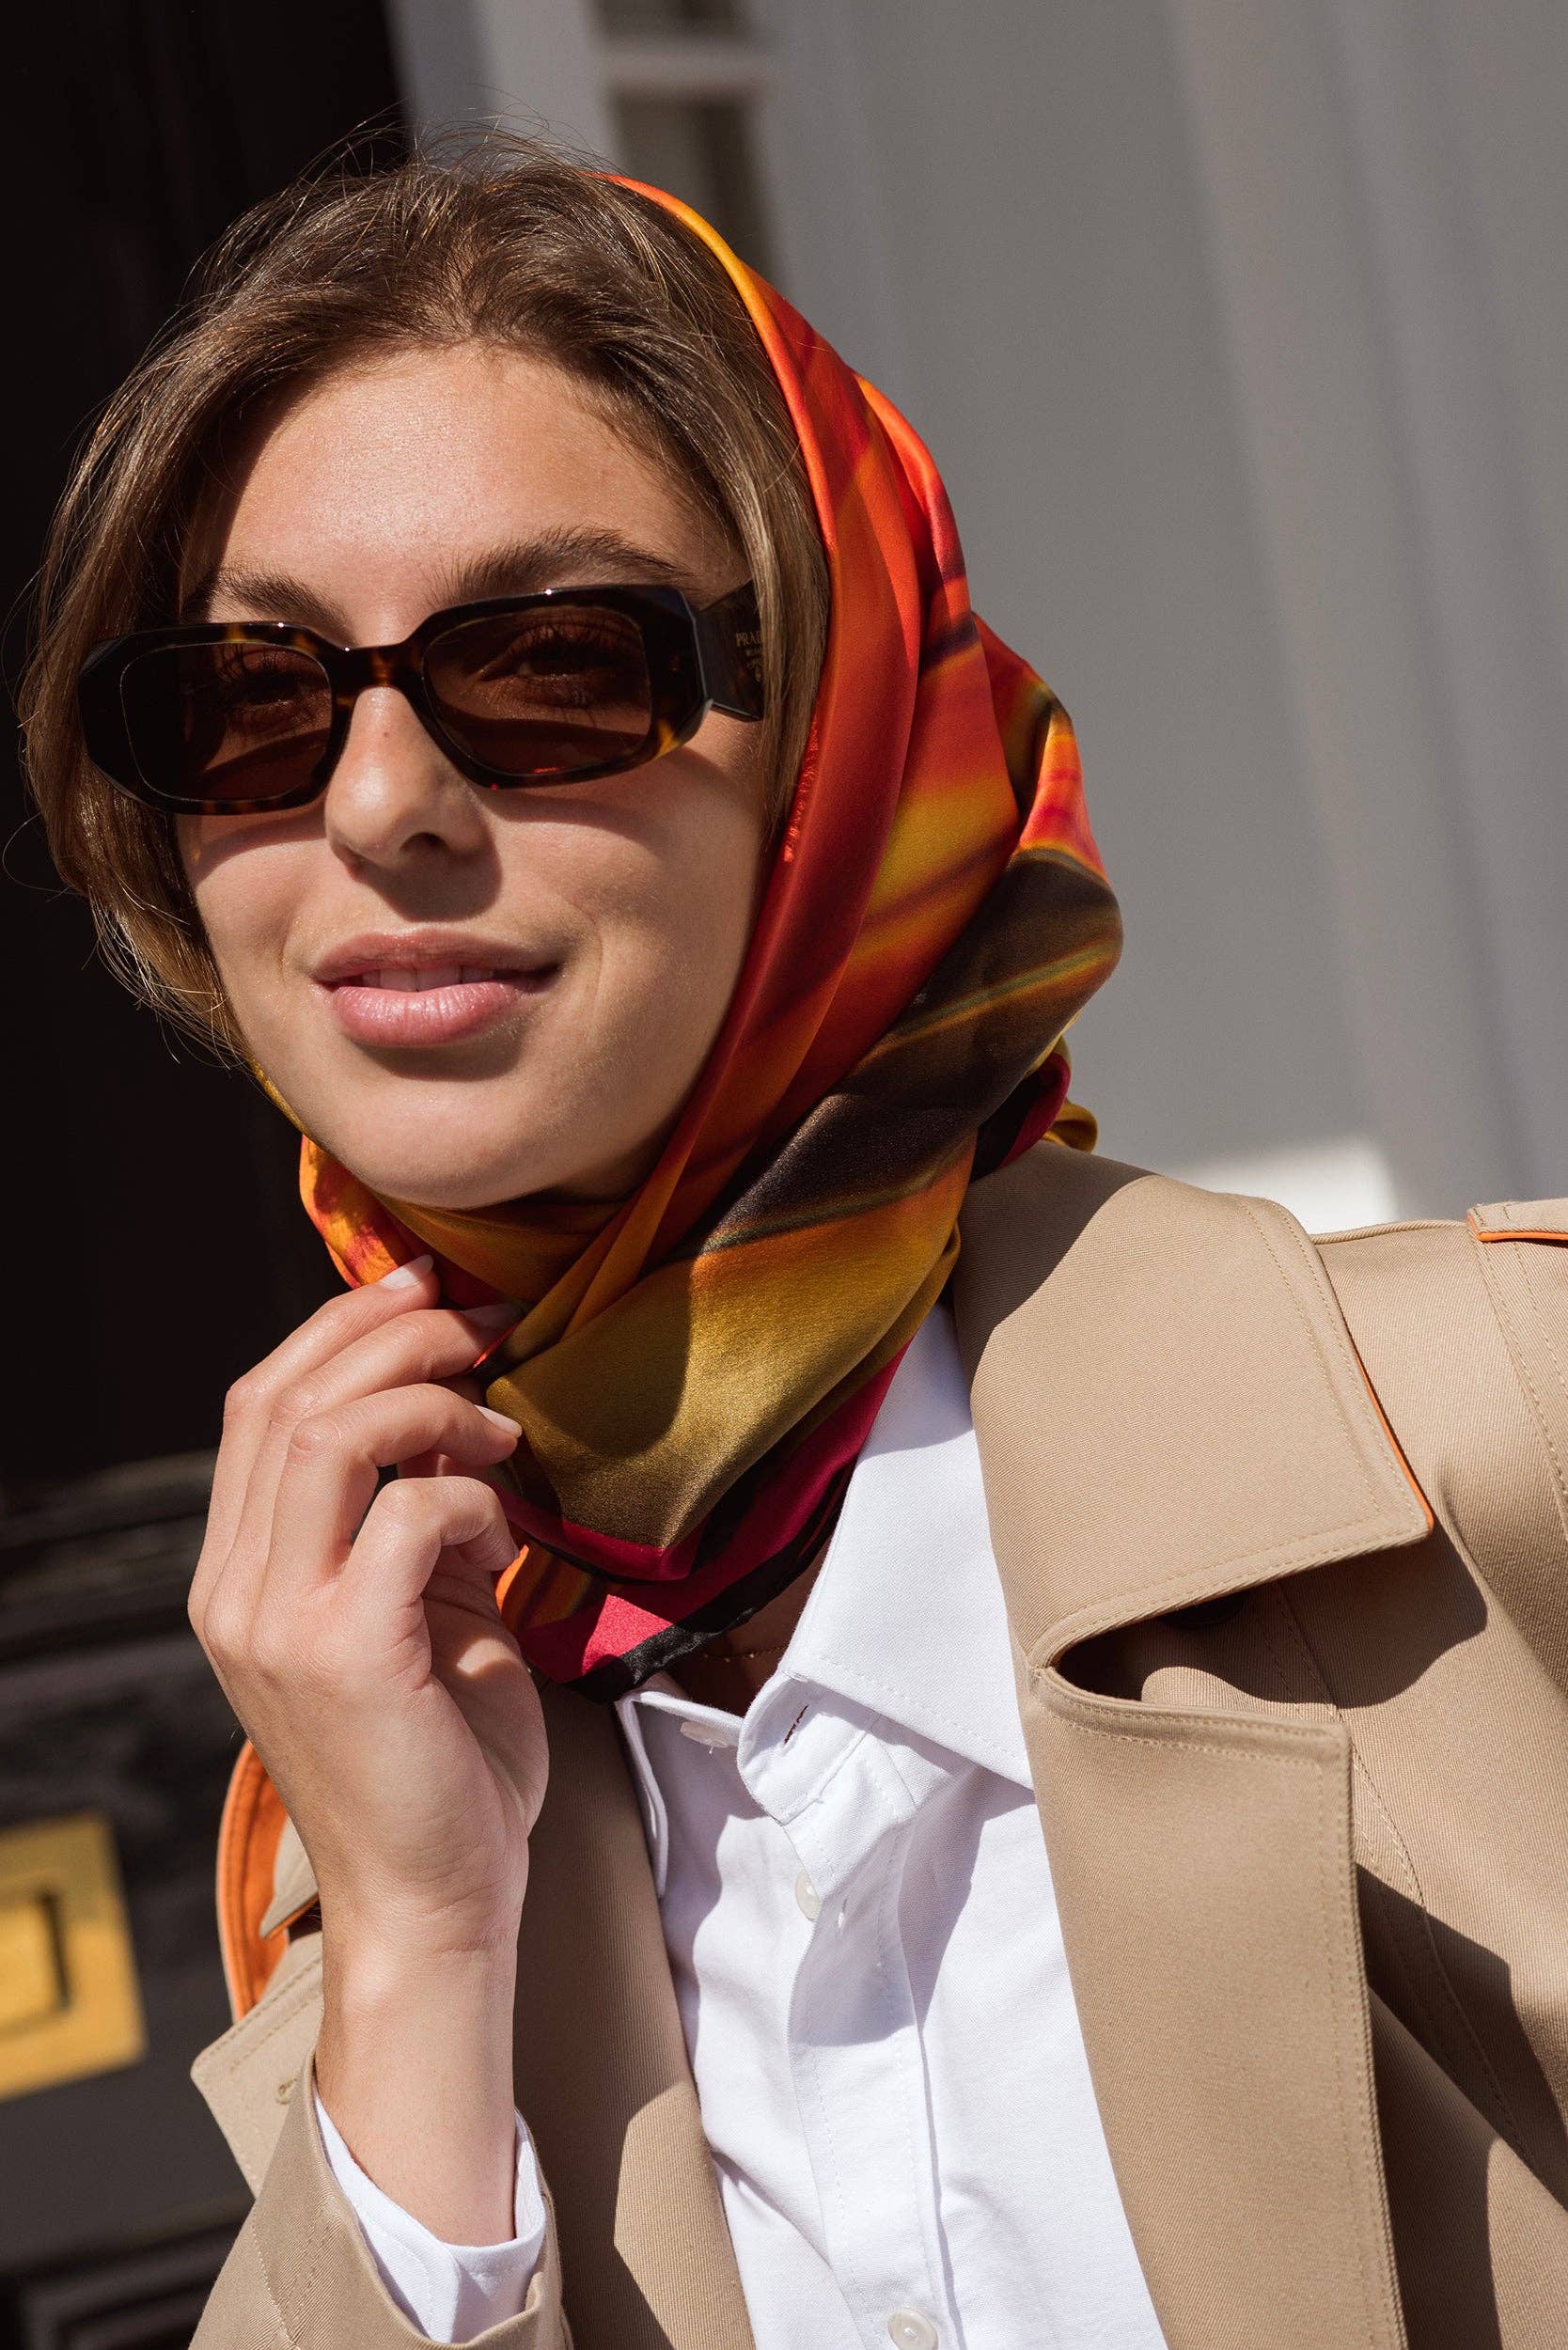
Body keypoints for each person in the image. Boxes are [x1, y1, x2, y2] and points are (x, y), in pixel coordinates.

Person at [22, 137, 1568, 2350]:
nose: (375, 803)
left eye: (551, 662)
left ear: (836, 739)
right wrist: (420, 1948)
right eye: (249, 699)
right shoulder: (358, 1792)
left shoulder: (1497, 1441)